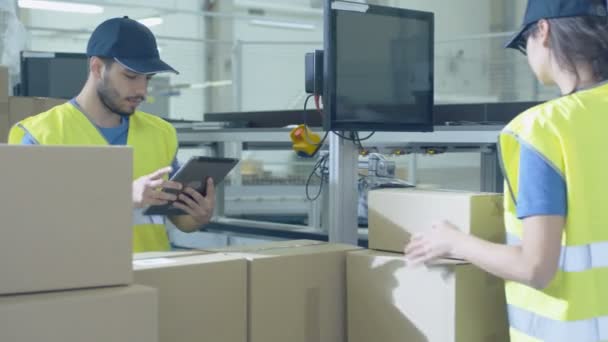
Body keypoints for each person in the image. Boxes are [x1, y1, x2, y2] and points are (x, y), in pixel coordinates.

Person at [404, 0, 608, 340]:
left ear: (543, 31)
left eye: (524, 41)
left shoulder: (543, 129)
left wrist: (453, 242)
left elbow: (535, 268)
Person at [8, 16, 215, 253]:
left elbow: (177, 217)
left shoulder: (161, 133)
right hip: (78, 281)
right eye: (130, 76)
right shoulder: (41, 135)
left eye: (147, 79)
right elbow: (25, 223)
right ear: (97, 68)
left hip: (154, 278)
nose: (142, 90)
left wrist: (197, 216)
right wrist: (120, 197)